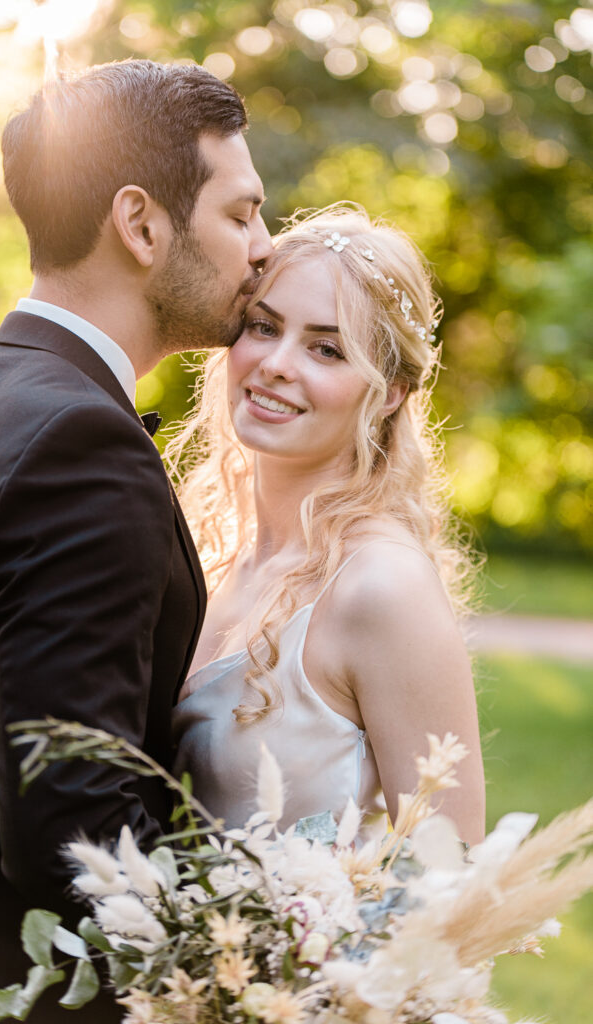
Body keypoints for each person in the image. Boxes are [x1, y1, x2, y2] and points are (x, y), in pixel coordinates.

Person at [0, 59, 271, 1023]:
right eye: (241, 215)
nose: (262, 249)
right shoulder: (82, 444)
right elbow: (73, 818)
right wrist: (254, 963)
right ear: (141, 223)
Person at [170, 205, 485, 846]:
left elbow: (450, 881)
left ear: (390, 392)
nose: (278, 363)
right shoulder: (205, 549)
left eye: (326, 348)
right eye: (264, 327)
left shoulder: (380, 585)